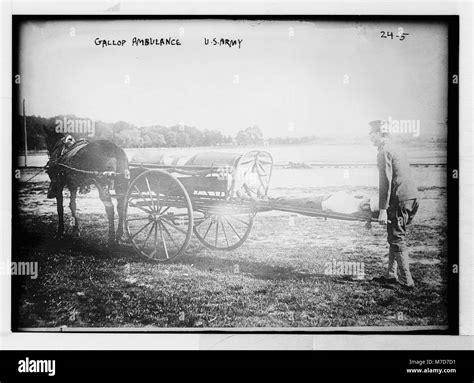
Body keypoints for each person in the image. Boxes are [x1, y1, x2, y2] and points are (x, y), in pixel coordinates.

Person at [369, 120, 419, 290]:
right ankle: (391, 275)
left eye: (372, 134)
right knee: (395, 236)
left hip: (399, 199)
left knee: (397, 238)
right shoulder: (398, 149)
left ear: (380, 134)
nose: (370, 137)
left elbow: (386, 183)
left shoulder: (384, 151)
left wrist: (382, 210)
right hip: (411, 198)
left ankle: (407, 281)